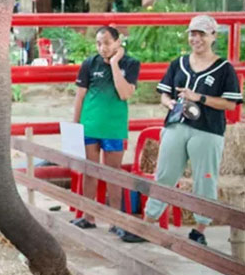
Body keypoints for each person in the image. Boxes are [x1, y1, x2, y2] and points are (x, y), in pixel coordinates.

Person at [123, 15, 242, 245]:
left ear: (213, 37)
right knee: (165, 174)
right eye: (192, 34)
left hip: (207, 130)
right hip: (177, 125)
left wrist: (199, 98)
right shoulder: (178, 63)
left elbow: (229, 103)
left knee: (204, 178)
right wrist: (169, 103)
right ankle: (148, 223)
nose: (196, 39)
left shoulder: (224, 69)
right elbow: (165, 93)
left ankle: (200, 229)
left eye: (202, 34)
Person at [70, 25, 140, 235]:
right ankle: (88, 216)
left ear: (118, 42)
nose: (102, 48)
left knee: (113, 174)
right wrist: (75, 126)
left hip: (114, 126)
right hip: (90, 123)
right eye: (99, 43)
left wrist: (115, 63)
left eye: (107, 43)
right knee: (89, 171)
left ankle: (115, 220)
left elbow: (125, 93)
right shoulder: (89, 63)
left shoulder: (131, 63)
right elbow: (80, 96)